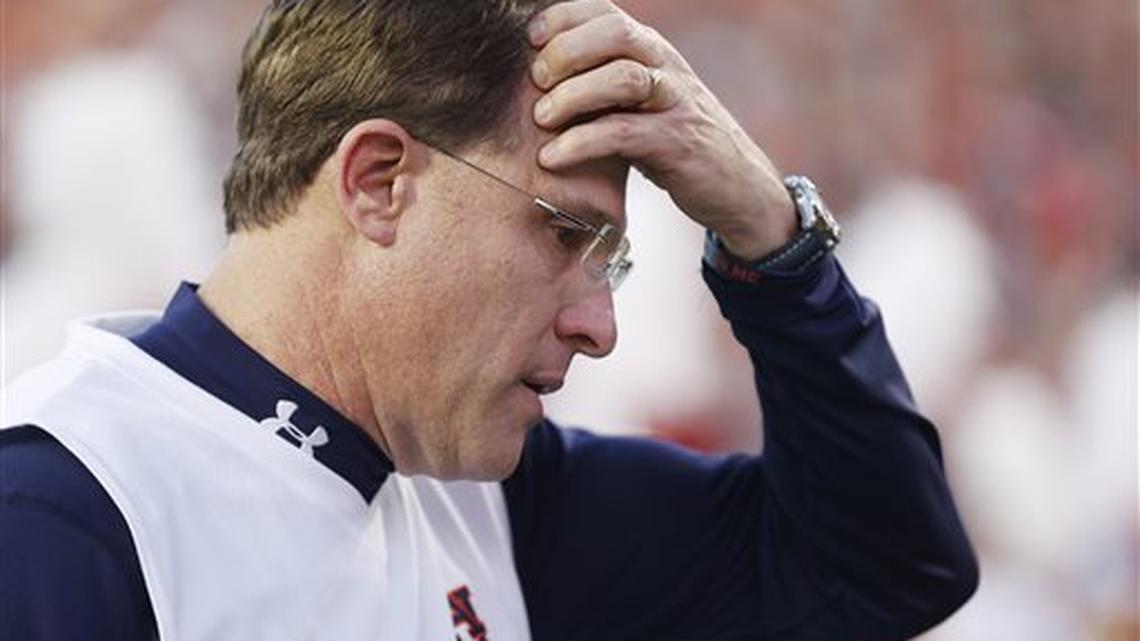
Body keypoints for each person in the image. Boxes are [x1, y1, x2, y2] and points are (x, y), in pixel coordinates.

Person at [0, 1, 978, 639]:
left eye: (613, 262)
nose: (601, 325)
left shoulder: (490, 497)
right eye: (564, 236)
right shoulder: (63, 508)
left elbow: (882, 572)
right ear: (380, 182)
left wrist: (773, 237)